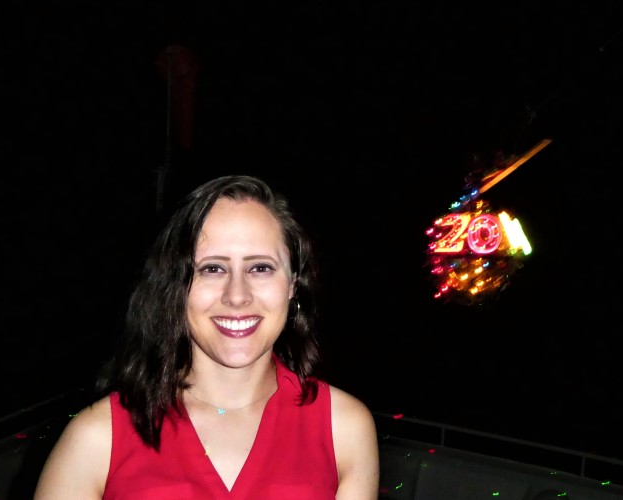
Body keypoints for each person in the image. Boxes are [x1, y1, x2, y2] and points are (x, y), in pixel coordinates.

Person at [34, 174, 379, 499]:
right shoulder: (96, 439)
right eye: (212, 269)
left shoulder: (344, 429)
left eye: (260, 268)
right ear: (177, 286)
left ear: (292, 284)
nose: (237, 295)